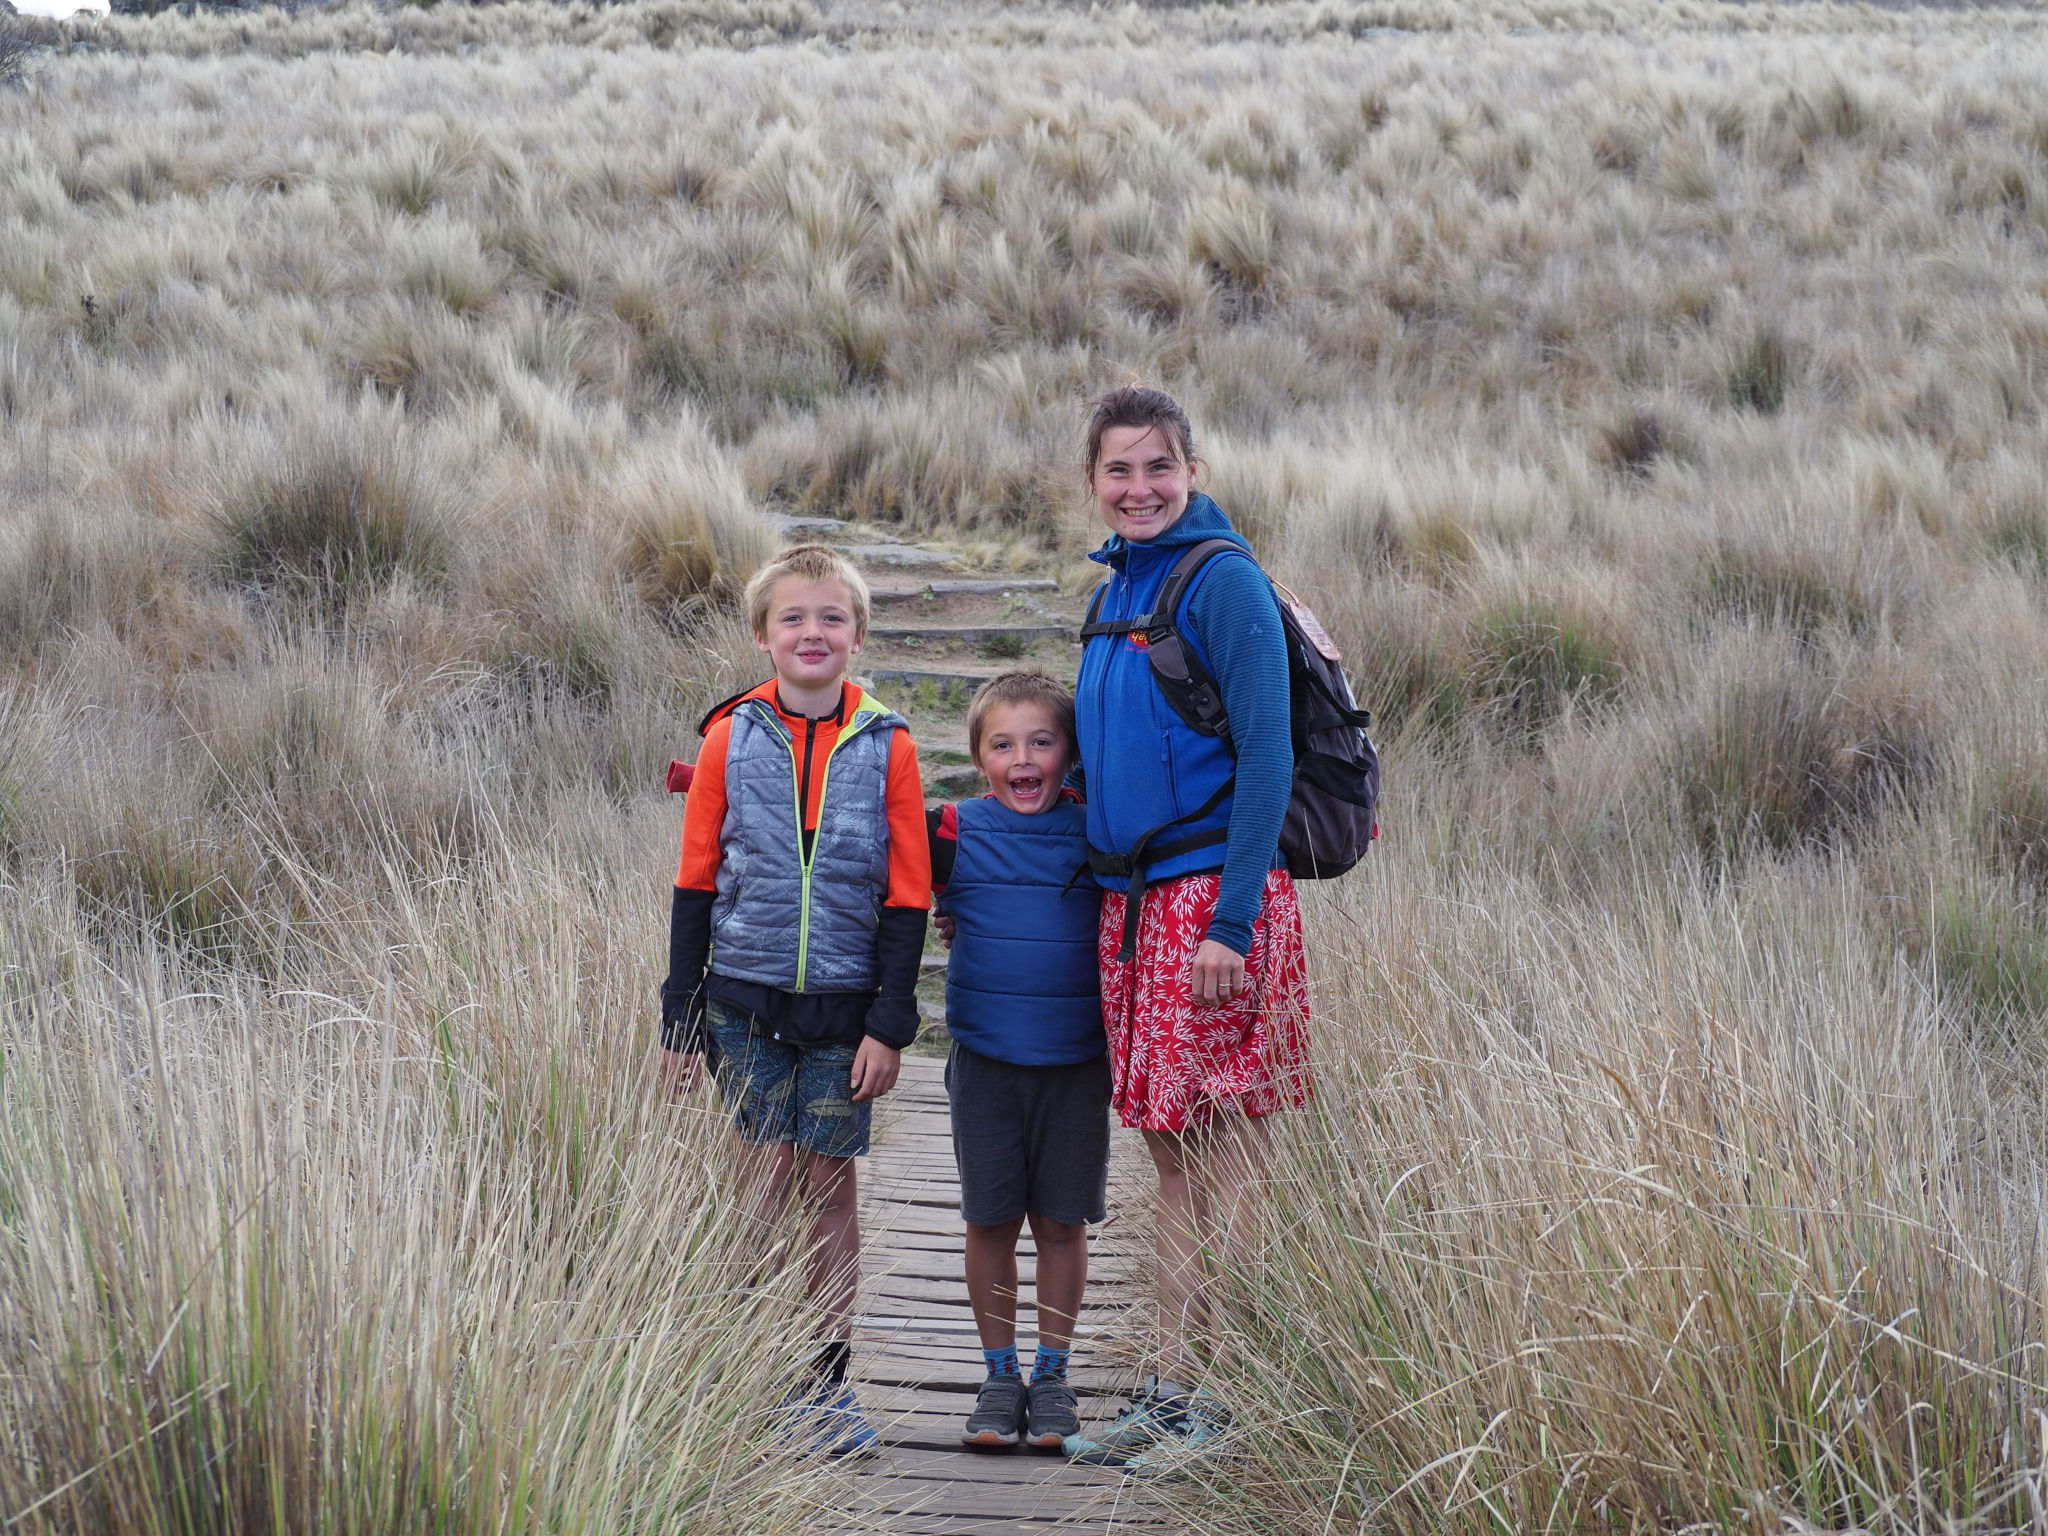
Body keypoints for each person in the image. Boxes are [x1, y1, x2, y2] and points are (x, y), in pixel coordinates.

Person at [1061, 387, 1312, 1474]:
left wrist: (1234, 921)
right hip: (1133, 911)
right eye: (1119, 471)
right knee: (1171, 1169)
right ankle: (1172, 1390)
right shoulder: (1116, 590)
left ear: (1193, 471)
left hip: (1212, 909)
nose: (1140, 489)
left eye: (1159, 468)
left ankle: (1232, 1405)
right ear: (1093, 484)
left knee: (1228, 1166)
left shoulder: (1224, 583)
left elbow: (1268, 758)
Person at [657, 543, 930, 1458]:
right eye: (792, 618)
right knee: (760, 1180)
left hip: (845, 1013)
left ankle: (825, 1380)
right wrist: (680, 1010)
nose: (812, 631)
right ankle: (750, 1364)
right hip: (743, 1000)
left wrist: (891, 1022)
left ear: (857, 635)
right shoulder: (729, 736)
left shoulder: (888, 741)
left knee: (825, 1182)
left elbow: (908, 891)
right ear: (763, 635)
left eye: (831, 617)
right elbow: (697, 882)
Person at [927, 671, 1109, 1453]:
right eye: (1003, 744)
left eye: (1042, 741)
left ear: (1070, 755)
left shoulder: (1100, 832)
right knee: (991, 1219)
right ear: (977, 758)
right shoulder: (953, 832)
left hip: (1076, 1063)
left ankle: (1054, 1376)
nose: (1023, 758)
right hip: (987, 1062)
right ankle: (1000, 1377)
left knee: (1062, 1223)